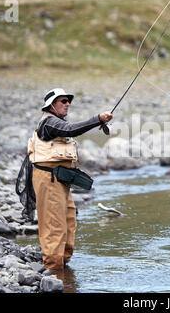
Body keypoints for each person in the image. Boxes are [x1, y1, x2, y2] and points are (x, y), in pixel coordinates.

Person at [28, 88, 112, 273]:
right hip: (48, 179)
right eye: (63, 101)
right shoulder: (49, 123)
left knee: (69, 219)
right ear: (51, 105)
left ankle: (63, 266)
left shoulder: (57, 123)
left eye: (68, 101)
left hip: (59, 179)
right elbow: (71, 129)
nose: (67, 104)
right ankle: (53, 270)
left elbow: (69, 129)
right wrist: (98, 118)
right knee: (54, 224)